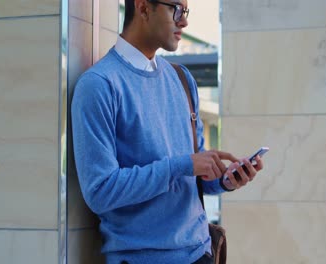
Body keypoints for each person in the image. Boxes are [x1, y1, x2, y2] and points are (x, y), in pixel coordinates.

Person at [71, 0, 264, 263]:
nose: (183, 21)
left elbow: (191, 173)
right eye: (176, 8)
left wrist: (224, 179)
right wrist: (182, 165)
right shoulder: (99, 85)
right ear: (143, 8)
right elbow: (101, 191)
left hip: (200, 253)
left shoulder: (182, 79)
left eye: (185, 11)